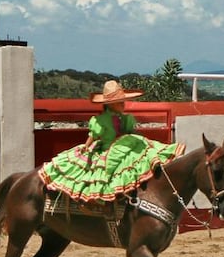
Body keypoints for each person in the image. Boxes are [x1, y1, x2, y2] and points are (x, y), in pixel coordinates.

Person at [39, 79, 185, 202]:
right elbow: (94, 135)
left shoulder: (126, 118)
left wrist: (141, 140)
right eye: (119, 102)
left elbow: (131, 132)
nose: (123, 104)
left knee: (142, 160)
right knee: (106, 173)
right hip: (108, 150)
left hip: (127, 146)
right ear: (110, 103)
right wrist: (87, 147)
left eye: (123, 101)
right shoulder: (100, 120)